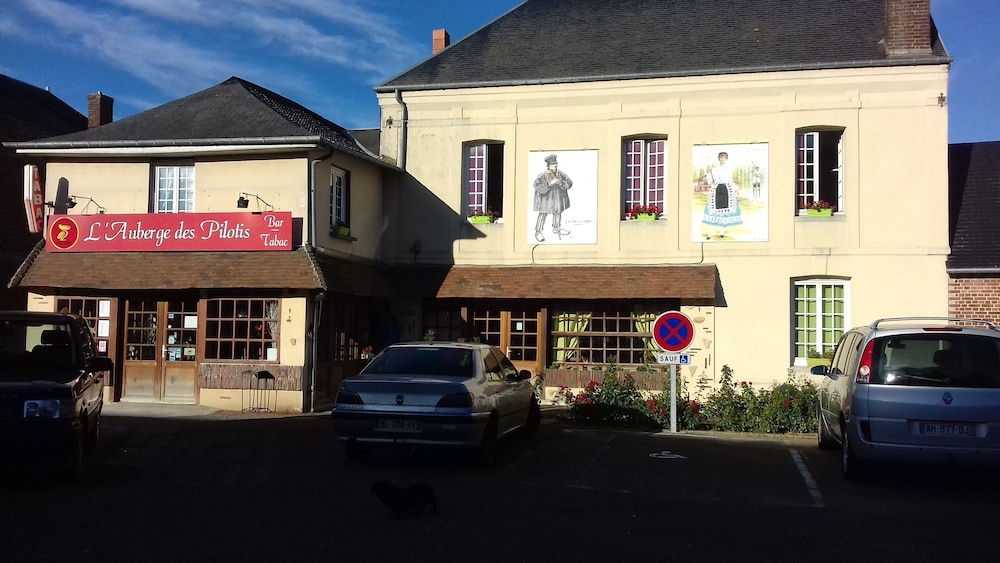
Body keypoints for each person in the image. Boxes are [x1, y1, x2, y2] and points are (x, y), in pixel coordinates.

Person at [700, 151, 743, 238]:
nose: (722, 159)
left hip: (727, 191)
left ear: (726, 159)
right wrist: (708, 172)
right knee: (714, 212)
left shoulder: (729, 169)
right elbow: (710, 181)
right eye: (721, 157)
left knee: (724, 212)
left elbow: (731, 181)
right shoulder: (714, 169)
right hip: (716, 191)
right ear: (718, 159)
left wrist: (736, 189)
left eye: (724, 158)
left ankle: (721, 232)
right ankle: (710, 233)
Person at [532, 154, 573, 242]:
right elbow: (536, 185)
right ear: (549, 165)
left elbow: (569, 182)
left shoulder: (560, 173)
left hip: (558, 198)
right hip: (546, 199)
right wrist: (549, 184)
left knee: (557, 212)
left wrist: (560, 182)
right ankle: (538, 232)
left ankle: (556, 228)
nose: (555, 166)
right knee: (543, 214)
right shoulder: (542, 174)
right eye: (553, 164)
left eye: (556, 164)